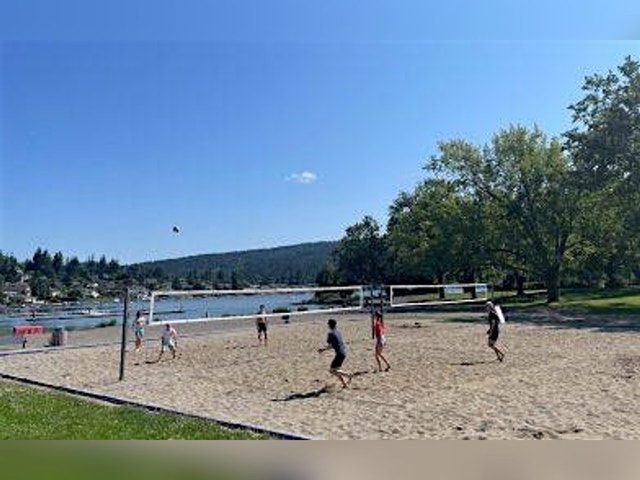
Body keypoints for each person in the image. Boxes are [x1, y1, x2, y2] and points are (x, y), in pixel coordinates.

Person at [318, 318, 352, 388]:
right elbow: (336, 344)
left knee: (332, 370)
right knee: (337, 370)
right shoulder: (338, 332)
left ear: (329, 325)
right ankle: (344, 384)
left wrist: (323, 349)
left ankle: (348, 375)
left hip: (339, 354)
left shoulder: (330, 334)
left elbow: (331, 345)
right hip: (343, 352)